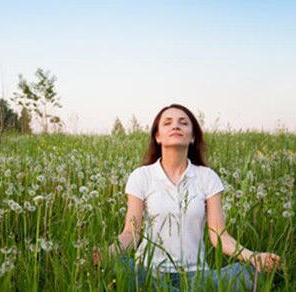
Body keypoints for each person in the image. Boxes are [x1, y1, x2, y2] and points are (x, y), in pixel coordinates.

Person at [92, 104, 281, 291]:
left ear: (192, 137)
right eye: (167, 123)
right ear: (157, 136)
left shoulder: (207, 177)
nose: (176, 126)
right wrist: (108, 254)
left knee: (250, 274)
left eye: (183, 123)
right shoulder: (141, 176)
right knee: (119, 268)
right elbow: (131, 233)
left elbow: (219, 235)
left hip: (197, 276)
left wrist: (253, 257)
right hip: (149, 272)